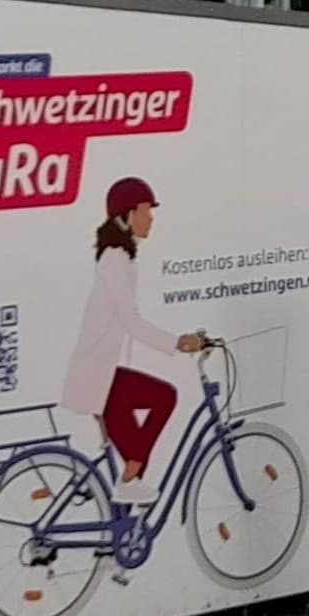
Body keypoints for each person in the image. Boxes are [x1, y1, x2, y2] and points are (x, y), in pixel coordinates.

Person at [63, 178, 207, 494]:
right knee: (164, 397)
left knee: (136, 458)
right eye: (145, 211)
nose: (150, 218)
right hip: (96, 376)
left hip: (102, 373)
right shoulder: (114, 258)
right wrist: (177, 342)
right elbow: (130, 319)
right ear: (127, 215)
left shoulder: (121, 258)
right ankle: (130, 477)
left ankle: (129, 485)